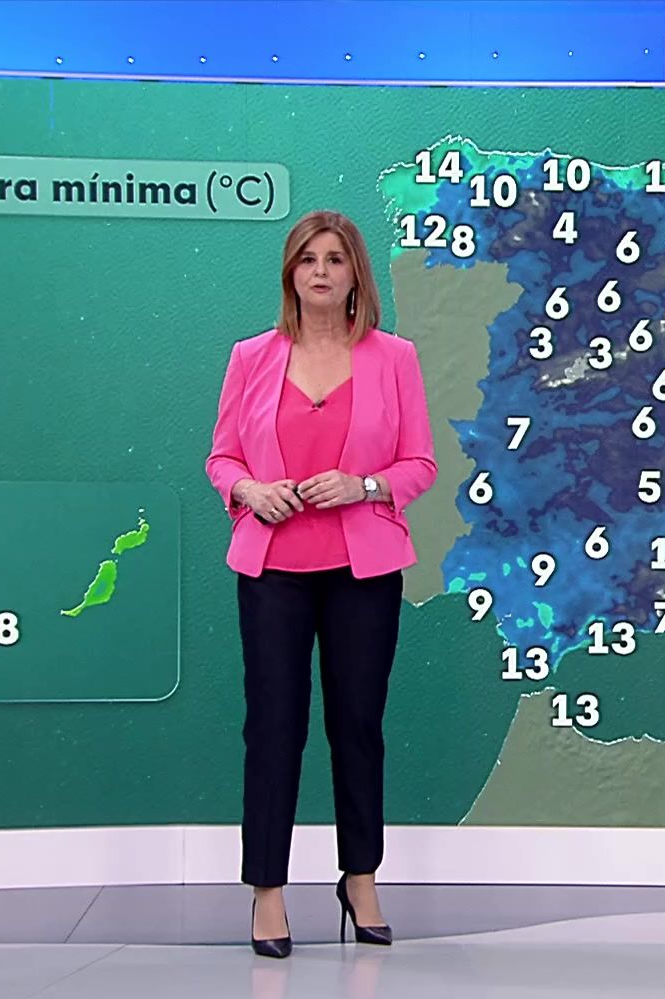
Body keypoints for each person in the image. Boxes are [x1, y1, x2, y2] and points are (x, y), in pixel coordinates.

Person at [204, 210, 436, 959]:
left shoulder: (394, 358)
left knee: (358, 727)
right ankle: (267, 892)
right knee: (273, 727)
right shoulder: (251, 357)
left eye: (335, 259)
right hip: (273, 568)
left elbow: (419, 464)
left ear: (355, 273)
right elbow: (222, 458)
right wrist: (248, 491)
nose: (322, 271)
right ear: (291, 273)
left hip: (361, 570)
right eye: (308, 259)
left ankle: (360, 879)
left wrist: (363, 485)